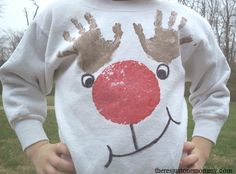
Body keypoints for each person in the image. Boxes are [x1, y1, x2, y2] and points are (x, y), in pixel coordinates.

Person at [0, 0, 230, 173]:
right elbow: (21, 80)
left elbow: (213, 86)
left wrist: (203, 143)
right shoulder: (57, 17)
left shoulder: (186, 22)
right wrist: (36, 145)